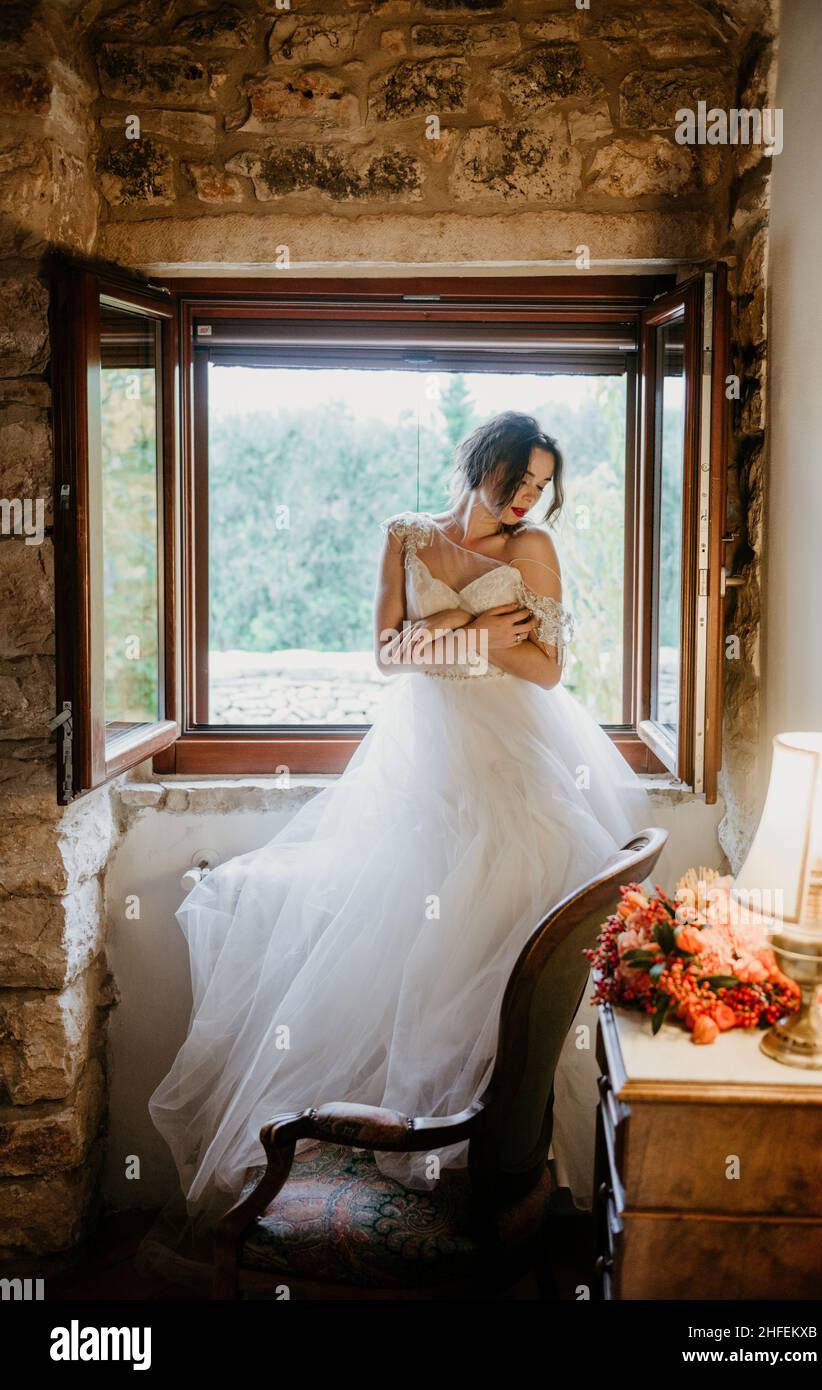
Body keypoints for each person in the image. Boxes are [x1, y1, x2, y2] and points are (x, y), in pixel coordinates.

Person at [140, 410, 663, 1288]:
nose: (529, 498)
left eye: (541, 486)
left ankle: (476, 1161)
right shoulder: (408, 536)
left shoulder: (533, 549)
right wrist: (477, 637)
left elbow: (545, 668)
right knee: (409, 948)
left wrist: (454, 642)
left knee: (478, 956)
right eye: (518, 479)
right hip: (421, 768)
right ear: (480, 465)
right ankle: (417, 1144)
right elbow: (386, 654)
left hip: (514, 766)